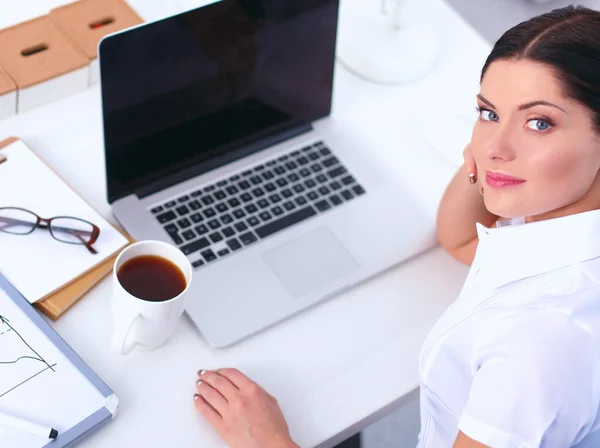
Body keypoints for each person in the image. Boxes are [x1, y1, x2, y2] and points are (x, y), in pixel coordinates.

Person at [191, 5, 600, 447]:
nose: (497, 145)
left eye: (539, 122)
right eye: (488, 112)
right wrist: (484, 159)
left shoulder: (538, 347)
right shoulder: (557, 211)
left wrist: (266, 440)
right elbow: (459, 237)